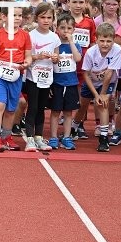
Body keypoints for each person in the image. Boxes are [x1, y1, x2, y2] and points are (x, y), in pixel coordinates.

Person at [0, 5, 31, 151]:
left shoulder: (24, 35)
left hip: (16, 76)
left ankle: (6, 137)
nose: (17, 18)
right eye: (14, 15)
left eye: (19, 15)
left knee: (11, 109)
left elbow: (28, 56)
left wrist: (26, 63)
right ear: (4, 17)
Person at [23, 3, 61, 152]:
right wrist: (37, 56)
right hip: (33, 77)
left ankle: (39, 137)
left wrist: (54, 58)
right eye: (42, 17)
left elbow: (57, 57)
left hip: (47, 78)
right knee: (32, 107)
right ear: (36, 18)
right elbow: (26, 57)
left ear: (53, 19)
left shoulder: (54, 37)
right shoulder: (31, 36)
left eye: (49, 18)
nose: (46, 21)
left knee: (41, 108)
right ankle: (30, 138)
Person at [80, 23, 121, 152]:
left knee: (103, 104)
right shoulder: (90, 52)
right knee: (83, 105)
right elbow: (86, 74)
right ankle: (75, 125)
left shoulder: (117, 49)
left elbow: (110, 73)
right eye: (102, 41)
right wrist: (95, 94)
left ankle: (103, 138)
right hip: (92, 81)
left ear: (113, 40)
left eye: (108, 41)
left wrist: (102, 94)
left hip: (107, 81)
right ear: (96, 39)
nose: (105, 44)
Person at [48, 13, 82, 150]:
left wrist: (71, 42)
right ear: (57, 29)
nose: (65, 31)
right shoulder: (54, 44)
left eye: (69, 28)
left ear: (73, 30)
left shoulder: (76, 45)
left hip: (71, 83)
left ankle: (67, 137)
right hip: (57, 83)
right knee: (55, 112)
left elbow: (78, 58)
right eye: (62, 28)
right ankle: (53, 137)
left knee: (68, 112)